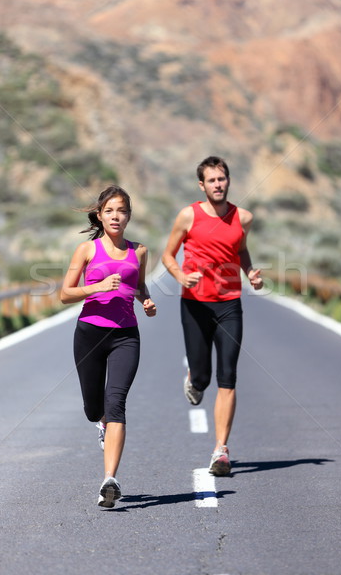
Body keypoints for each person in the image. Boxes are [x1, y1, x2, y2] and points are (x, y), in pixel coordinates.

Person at [162, 156, 262, 476]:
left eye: (222, 179)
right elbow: (167, 254)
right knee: (203, 376)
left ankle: (221, 450)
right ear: (201, 185)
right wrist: (179, 276)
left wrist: (250, 273)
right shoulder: (188, 216)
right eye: (212, 180)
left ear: (228, 181)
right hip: (195, 304)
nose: (218, 184)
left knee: (228, 375)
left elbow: (241, 249)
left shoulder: (242, 217)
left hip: (230, 304)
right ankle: (194, 379)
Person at [61, 185, 156, 508]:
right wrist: (97, 286)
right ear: (100, 216)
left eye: (122, 211)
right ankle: (100, 423)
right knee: (93, 409)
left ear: (129, 216)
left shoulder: (139, 251)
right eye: (110, 211)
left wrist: (147, 300)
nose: (117, 216)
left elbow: (138, 285)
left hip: (126, 336)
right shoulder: (86, 251)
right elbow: (65, 293)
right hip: (89, 334)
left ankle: (109, 480)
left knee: (116, 402)